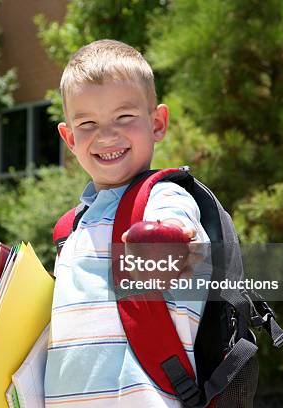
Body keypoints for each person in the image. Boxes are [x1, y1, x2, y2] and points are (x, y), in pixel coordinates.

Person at [44, 39, 211, 407]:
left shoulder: (163, 197)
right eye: (87, 123)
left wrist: (170, 248)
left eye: (124, 117)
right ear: (69, 138)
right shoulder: (71, 229)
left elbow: (179, 235)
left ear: (157, 123)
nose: (106, 135)